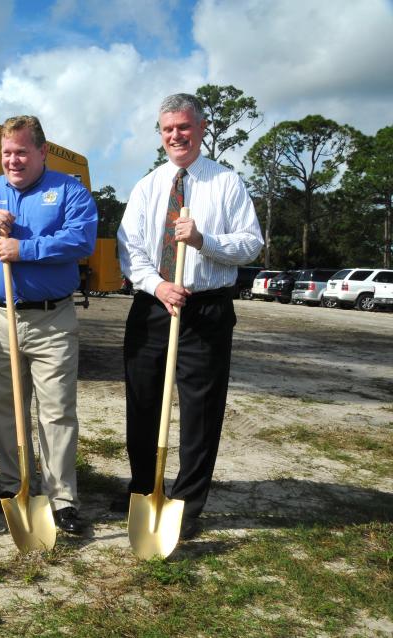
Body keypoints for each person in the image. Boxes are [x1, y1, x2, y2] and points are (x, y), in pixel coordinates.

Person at [116, 93, 263, 540]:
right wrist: (159, 285)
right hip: (154, 307)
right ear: (160, 134)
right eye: (167, 129)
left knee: (200, 410)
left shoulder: (226, 183)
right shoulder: (148, 186)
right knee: (142, 403)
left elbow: (250, 243)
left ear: (201, 128)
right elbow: (130, 249)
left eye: (183, 127)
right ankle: (144, 489)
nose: (175, 136)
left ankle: (187, 502)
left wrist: (203, 240)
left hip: (206, 309)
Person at [0, 115, 98, 535]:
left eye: (22, 152)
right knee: (5, 409)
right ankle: (15, 485)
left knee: (57, 412)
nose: (13, 161)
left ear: (42, 152)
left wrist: (24, 248)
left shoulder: (69, 191)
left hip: (51, 320)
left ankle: (61, 498)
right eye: (7, 153)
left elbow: (82, 239)